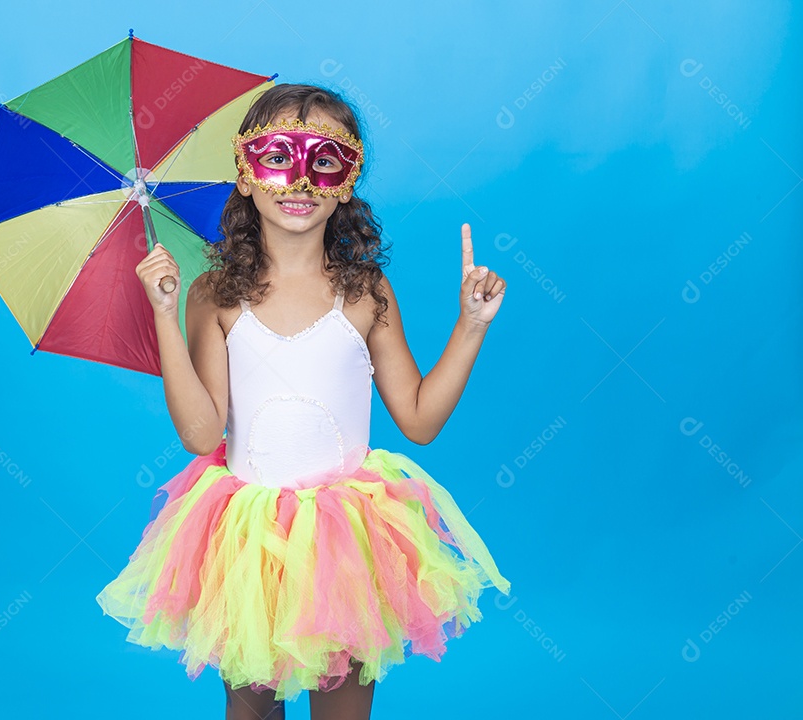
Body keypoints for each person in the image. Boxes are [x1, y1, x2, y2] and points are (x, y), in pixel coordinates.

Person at [96, 83, 511, 720]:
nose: (298, 181)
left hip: (347, 535)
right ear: (244, 174)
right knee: (251, 708)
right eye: (276, 157)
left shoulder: (367, 292)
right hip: (249, 540)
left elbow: (420, 420)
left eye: (322, 160)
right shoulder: (212, 294)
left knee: (344, 706)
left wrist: (471, 326)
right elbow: (202, 435)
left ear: (346, 181)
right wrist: (162, 311)